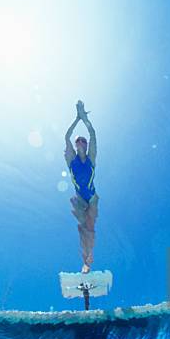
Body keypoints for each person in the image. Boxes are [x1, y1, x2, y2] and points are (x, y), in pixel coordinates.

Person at [65, 100, 98, 274]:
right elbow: (66, 137)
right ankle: (85, 261)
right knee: (82, 228)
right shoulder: (71, 160)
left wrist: (84, 118)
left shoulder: (91, 158)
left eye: (82, 141)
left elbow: (92, 133)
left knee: (90, 226)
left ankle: (89, 259)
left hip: (91, 198)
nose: (80, 143)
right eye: (78, 141)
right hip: (79, 199)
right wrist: (76, 118)